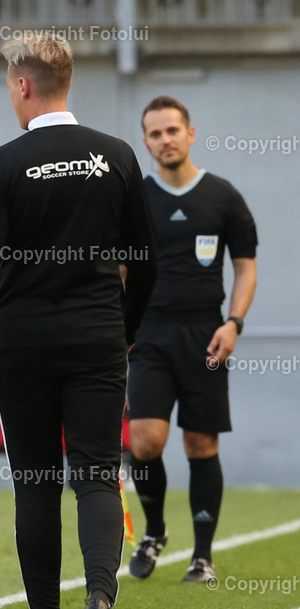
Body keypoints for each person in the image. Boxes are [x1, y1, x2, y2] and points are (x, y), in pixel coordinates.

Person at [0, 35, 157, 609]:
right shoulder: (116, 157)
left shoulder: (3, 164)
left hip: (25, 346)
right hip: (97, 340)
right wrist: (126, 330)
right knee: (93, 475)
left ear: (22, 85)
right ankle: (100, 601)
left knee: (34, 486)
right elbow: (145, 263)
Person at [127, 96, 258, 584]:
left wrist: (234, 323)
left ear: (190, 133)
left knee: (201, 443)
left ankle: (202, 556)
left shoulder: (223, 196)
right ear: (146, 142)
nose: (165, 140)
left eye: (172, 130)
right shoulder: (136, 198)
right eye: (156, 134)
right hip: (150, 335)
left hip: (207, 334)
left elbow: (245, 268)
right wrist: (121, 329)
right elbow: (120, 270)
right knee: (145, 442)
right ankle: (155, 529)